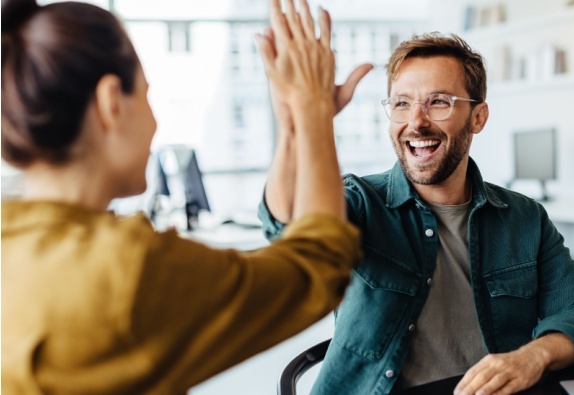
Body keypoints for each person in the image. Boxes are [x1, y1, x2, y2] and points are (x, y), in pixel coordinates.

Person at [1, 0, 365, 393]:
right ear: (111, 103)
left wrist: (296, 127)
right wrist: (311, 109)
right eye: (146, 95)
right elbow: (317, 267)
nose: (155, 121)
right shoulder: (126, 269)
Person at [260, 32, 574, 395]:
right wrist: (299, 126)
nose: (417, 122)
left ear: (478, 117)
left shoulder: (525, 218)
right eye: (402, 104)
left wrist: (535, 356)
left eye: (438, 102)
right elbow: (288, 225)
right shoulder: (360, 202)